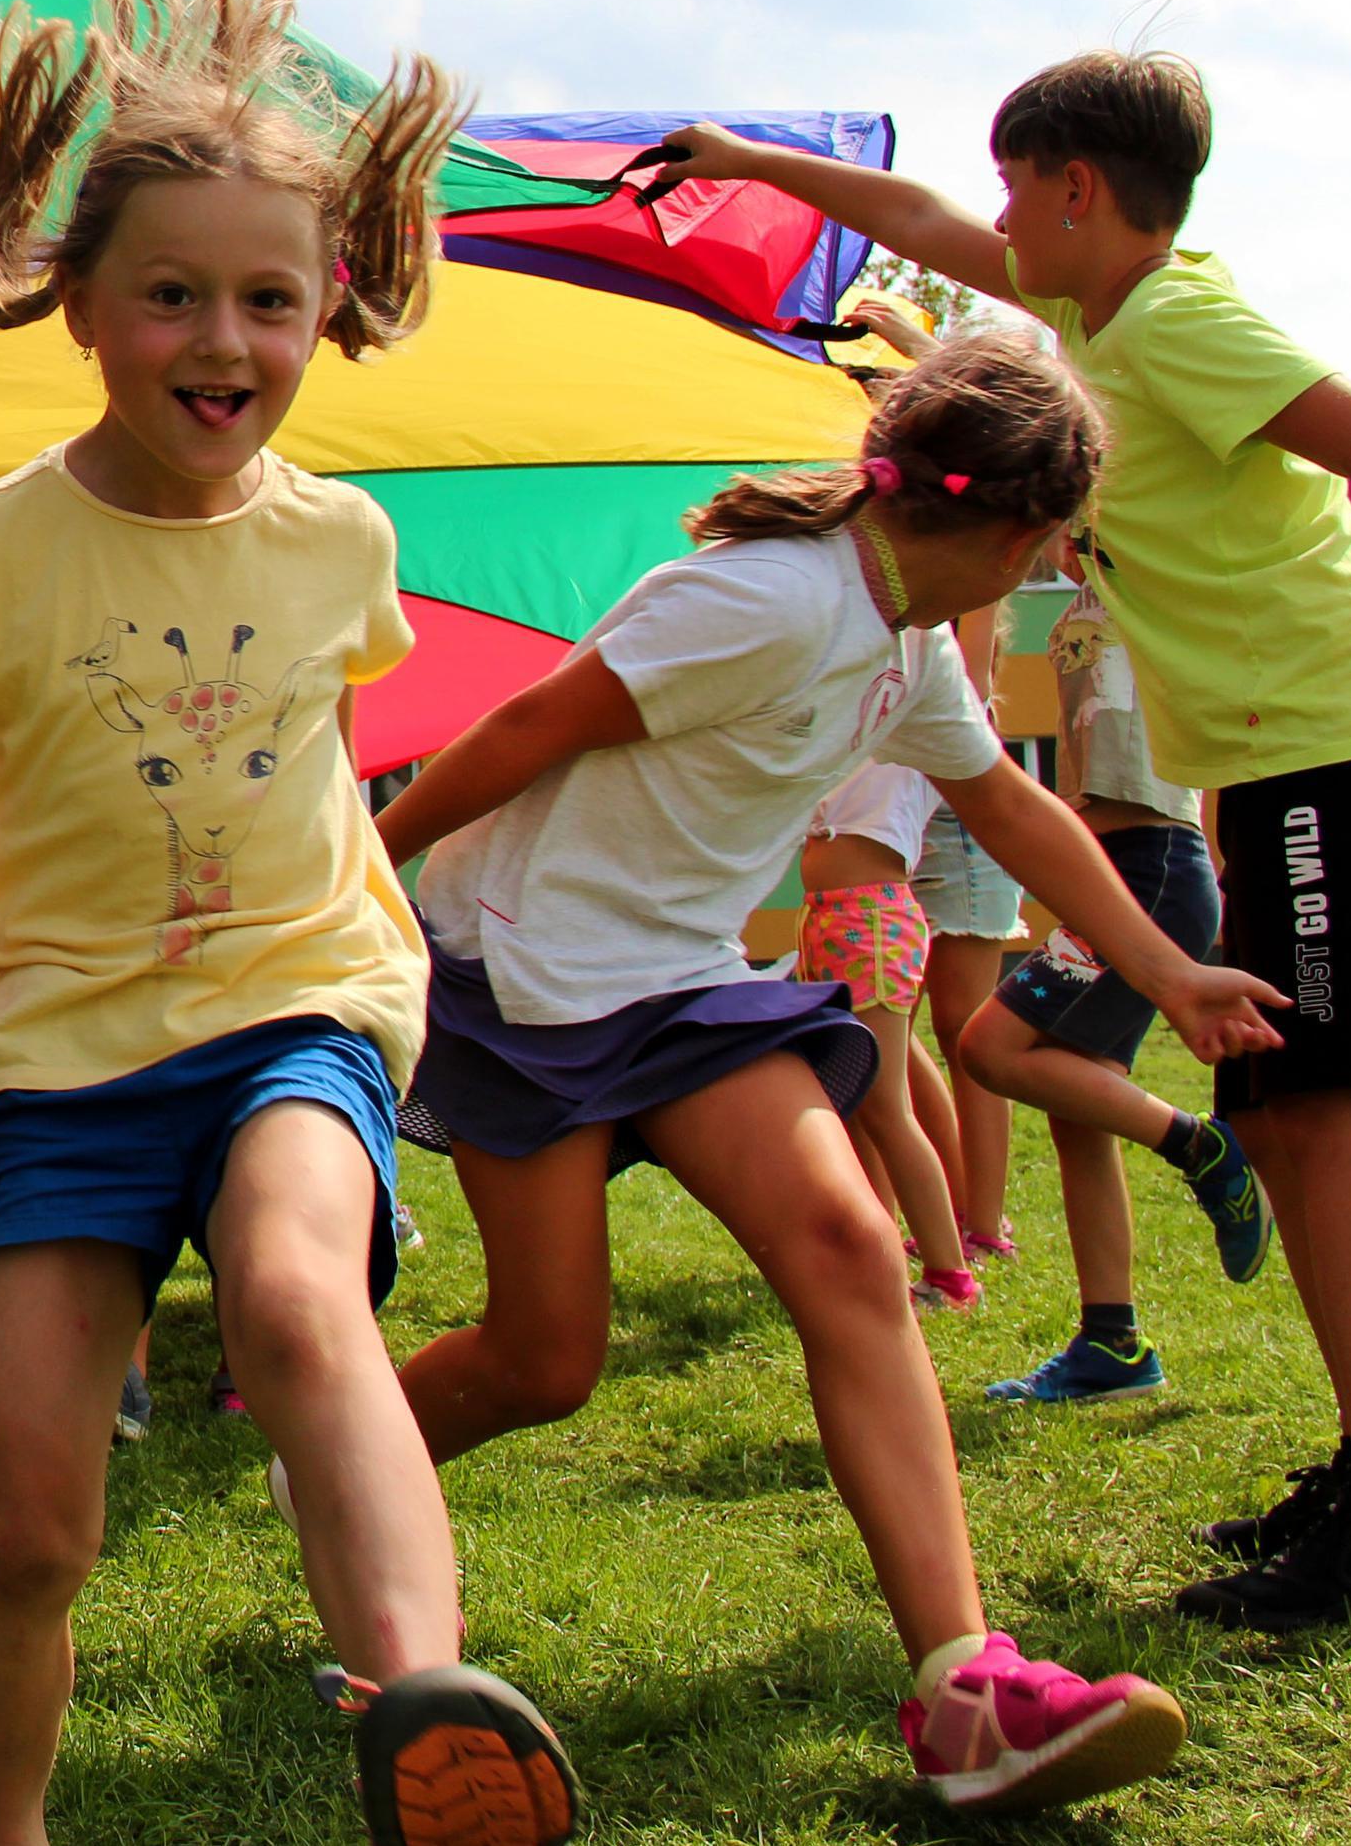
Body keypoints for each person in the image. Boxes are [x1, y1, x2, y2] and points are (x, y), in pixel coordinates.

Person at [0, 0, 580, 1846]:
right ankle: (8, 1831)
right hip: (60, 1056)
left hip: (298, 1003)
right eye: (175, 294)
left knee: (293, 1293)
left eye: (270, 298)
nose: (226, 337)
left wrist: (385, 929)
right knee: (31, 1524)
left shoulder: (343, 537)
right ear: (83, 307)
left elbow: (317, 758)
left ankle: (427, 1711)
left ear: (328, 306)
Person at [665, 55, 1351, 1625]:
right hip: (1275, 758)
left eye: (1016, 185)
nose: (994, 217)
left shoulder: (1176, 320)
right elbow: (918, 215)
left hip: (1341, 739)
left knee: (1337, 1117)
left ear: (1080, 190)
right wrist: (745, 156)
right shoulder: (1091, 313)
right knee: (1284, 1117)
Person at [380, 333, 1279, 1810]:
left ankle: (966, 1689)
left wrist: (1167, 969)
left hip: (685, 979)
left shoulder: (905, 637)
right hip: (530, 971)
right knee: (546, 1361)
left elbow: (1010, 808)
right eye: (1051, 545)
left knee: (853, 1248)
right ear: (1013, 529)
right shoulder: (767, 597)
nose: (1041, 572)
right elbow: (530, 726)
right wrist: (364, 878)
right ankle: (348, 1454)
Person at [964, 558, 1277, 1404]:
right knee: (1079, 1110)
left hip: (1151, 866)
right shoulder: (1086, 590)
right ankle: (1114, 1343)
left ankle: (1203, 1145)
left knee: (991, 1045)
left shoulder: (1150, 576)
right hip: (1114, 867)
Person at [791, 763, 982, 1309]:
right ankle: (881, 1258)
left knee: (887, 1108)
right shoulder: (844, 733)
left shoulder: (905, 731)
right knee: (853, 1101)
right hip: (825, 917)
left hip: (871, 919)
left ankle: (950, 1276)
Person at [910, 604, 1035, 1265]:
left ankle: (982, 1223)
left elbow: (971, 685)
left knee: (963, 1032)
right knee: (884, 1032)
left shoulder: (965, 616)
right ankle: (947, 1205)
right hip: (900, 834)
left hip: (961, 836)